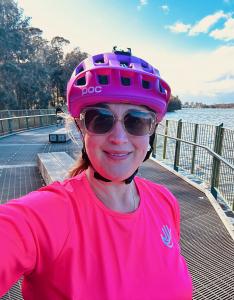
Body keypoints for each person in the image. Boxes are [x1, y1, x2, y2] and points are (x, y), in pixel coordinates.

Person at [0, 48, 193, 299]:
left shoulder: (166, 202)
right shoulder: (43, 217)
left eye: (136, 121)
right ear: (81, 128)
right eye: (100, 119)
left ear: (151, 131)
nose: (119, 138)